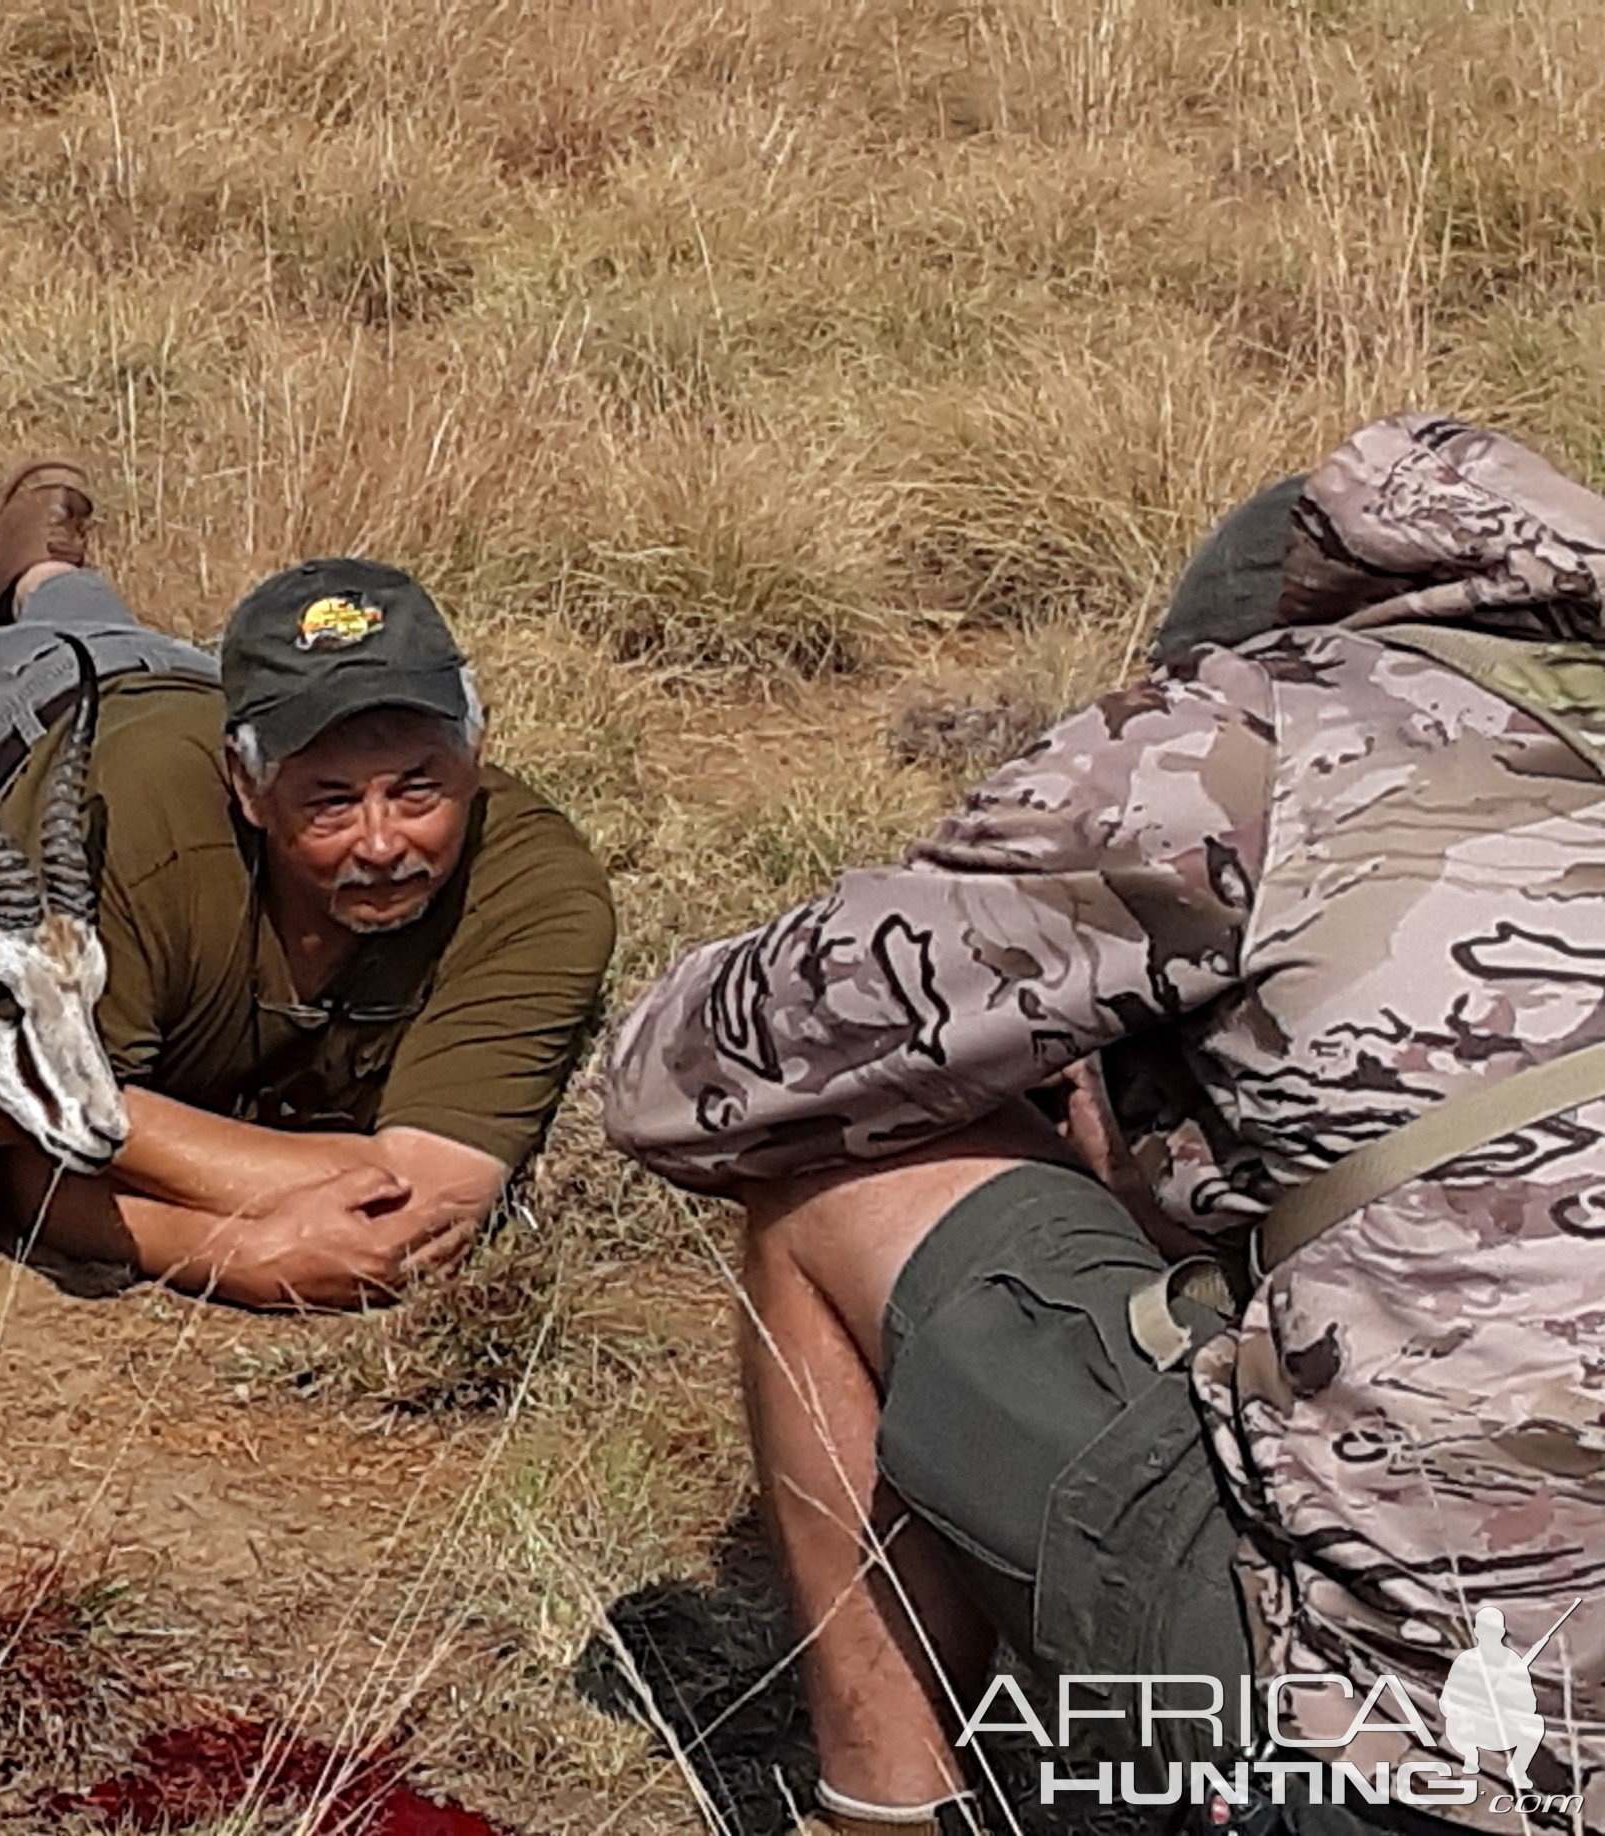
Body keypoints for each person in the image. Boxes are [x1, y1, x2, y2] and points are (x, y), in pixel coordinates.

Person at [597, 415, 1605, 1836]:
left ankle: (879, 1817)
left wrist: (1091, 1093)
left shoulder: (1251, 730)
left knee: (828, 1182)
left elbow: (679, 1079)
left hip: (1445, 1764)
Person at [0, 462, 617, 1308]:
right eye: (328, 803)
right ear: (250, 788)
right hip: (6, 736)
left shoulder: (535, 886)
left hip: (164, 684)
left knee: (124, 655)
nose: (381, 841)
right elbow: (17, 1163)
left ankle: (38, 569)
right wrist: (235, 1254)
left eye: (418, 790)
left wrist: (47, 1098)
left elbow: (420, 1203)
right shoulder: (138, 844)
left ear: (477, 752)